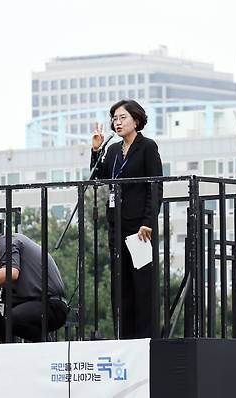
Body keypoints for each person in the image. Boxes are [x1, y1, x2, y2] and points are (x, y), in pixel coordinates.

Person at [90, 99, 163, 339]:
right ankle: (125, 336)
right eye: (114, 118)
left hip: (139, 227)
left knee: (142, 282)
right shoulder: (112, 150)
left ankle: (146, 337)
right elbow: (97, 178)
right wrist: (96, 151)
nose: (117, 122)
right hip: (117, 225)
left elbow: (155, 186)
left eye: (122, 117)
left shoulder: (147, 147)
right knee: (121, 284)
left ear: (136, 120)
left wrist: (149, 221)